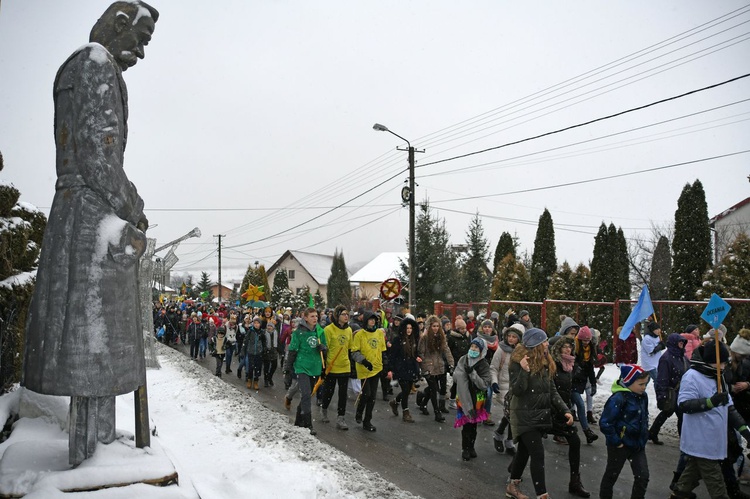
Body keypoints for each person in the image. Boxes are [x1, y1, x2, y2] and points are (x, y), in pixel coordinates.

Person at [22, 0, 159, 466]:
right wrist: (132, 205)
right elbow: (100, 154)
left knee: (90, 340)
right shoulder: (96, 64)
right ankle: (91, 455)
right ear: (118, 25)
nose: (140, 53)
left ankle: (99, 445)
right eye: (139, 40)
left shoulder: (73, 67)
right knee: (95, 340)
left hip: (75, 211)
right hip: (92, 216)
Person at [671, 340, 750, 499]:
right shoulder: (692, 376)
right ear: (712, 361)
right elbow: (684, 404)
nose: (724, 367)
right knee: (717, 485)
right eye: (722, 363)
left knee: (692, 472)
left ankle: (680, 493)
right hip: (701, 439)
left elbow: (730, 409)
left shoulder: (719, 378)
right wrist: (710, 402)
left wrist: (745, 431)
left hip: (715, 439)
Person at [505, 328, 573, 499]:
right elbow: (518, 390)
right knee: (537, 454)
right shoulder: (518, 361)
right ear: (535, 344)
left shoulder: (545, 361)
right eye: (543, 341)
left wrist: (565, 410)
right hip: (523, 414)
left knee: (523, 452)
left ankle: (512, 486)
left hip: (539, 414)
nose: (546, 344)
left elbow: (552, 390)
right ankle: (542, 495)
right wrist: (524, 371)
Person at [598, 364, 650, 499]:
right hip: (620, 445)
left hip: (637, 445)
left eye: (645, 384)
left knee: (643, 476)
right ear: (628, 382)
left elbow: (644, 416)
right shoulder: (618, 398)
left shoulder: (643, 396)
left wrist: (644, 434)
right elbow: (605, 423)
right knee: (611, 476)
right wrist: (616, 441)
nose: (644, 387)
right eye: (641, 384)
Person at [550, 336, 591, 497]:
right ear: (558, 349)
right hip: (549, 411)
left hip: (563, 411)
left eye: (570, 347)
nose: (568, 349)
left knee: (575, 441)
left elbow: (570, 389)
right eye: (564, 347)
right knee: (531, 445)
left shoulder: (570, 365)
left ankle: (575, 482)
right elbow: (551, 391)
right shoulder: (552, 365)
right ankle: (515, 472)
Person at [283, 307, 326, 435]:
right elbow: (292, 352)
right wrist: (288, 370)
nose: (315, 318)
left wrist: (323, 349)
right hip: (302, 367)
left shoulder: (320, 332)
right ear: (305, 318)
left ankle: (298, 419)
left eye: (316, 316)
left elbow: (325, 351)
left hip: (315, 367)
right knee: (306, 394)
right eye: (312, 316)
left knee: (308, 395)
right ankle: (308, 424)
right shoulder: (298, 333)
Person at [453, 338, 491, 461]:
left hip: (477, 399)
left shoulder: (484, 365)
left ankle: (472, 446)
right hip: (464, 398)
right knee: (467, 425)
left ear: (482, 350)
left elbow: (484, 384)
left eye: (476, 348)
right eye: (472, 347)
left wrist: (472, 374)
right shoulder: (463, 359)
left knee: (474, 425)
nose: (473, 349)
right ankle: (465, 448)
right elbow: (456, 375)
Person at [649, 333, 689, 445]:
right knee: (672, 412)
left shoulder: (682, 356)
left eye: (682, 342)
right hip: (671, 391)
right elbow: (662, 378)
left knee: (671, 413)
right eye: (679, 342)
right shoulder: (666, 358)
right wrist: (662, 394)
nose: (681, 344)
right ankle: (683, 440)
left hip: (681, 391)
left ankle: (653, 432)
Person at [491, 322, 524, 455]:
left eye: (514, 337)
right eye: (509, 336)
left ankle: (501, 435)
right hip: (503, 386)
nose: (511, 339)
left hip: (517, 386)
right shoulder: (501, 350)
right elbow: (493, 367)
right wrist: (494, 382)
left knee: (512, 414)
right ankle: (507, 440)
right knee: (512, 413)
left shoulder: (522, 351)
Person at [351, 310, 386, 431]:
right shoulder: (360, 335)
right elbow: (354, 352)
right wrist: (364, 361)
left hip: (376, 368)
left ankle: (367, 421)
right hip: (364, 368)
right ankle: (359, 411)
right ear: (366, 320)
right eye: (370, 319)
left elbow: (382, 350)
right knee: (366, 394)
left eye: (374, 319)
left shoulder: (379, 334)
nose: (373, 321)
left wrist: (385, 364)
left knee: (373, 397)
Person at [416, 315, 455, 422]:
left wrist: (451, 364)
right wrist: (425, 369)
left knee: (434, 388)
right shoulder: (424, 338)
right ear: (429, 326)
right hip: (429, 367)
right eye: (433, 326)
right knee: (433, 389)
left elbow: (446, 350)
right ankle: (437, 412)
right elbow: (421, 354)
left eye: (437, 326)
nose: (436, 328)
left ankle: (423, 402)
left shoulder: (441, 337)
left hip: (439, 366)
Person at [320, 305, 353, 430]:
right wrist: (323, 367)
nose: (346, 316)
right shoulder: (329, 329)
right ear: (337, 316)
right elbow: (325, 349)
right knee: (329, 391)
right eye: (343, 314)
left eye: (347, 314)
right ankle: (324, 409)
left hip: (345, 366)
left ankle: (341, 418)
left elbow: (349, 348)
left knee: (343, 394)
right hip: (332, 366)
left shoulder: (349, 330)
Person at [388, 316, 421, 423]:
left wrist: (417, 358)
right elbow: (393, 355)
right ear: (403, 329)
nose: (409, 330)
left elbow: (415, 353)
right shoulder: (398, 339)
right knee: (406, 390)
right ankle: (406, 413)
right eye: (407, 328)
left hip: (411, 367)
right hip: (401, 368)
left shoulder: (414, 339)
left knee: (407, 390)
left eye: (411, 328)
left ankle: (395, 402)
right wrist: (391, 369)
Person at [571, 326, 599, 444]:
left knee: (568, 406)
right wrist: (574, 369)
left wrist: (593, 384)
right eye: (584, 340)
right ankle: (586, 431)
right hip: (570, 382)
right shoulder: (573, 348)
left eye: (588, 340)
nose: (586, 343)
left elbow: (590, 368)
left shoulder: (590, 349)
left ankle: (567, 430)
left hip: (580, 382)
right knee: (580, 405)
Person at [475, 318, 499, 425]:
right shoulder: (478, 339)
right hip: (481, 369)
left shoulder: (496, 340)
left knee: (489, 394)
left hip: (492, 369)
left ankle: (486, 415)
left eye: (489, 327)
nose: (487, 329)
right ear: (482, 328)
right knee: (482, 392)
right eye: (485, 326)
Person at [447, 317, 471, 409]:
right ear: (457, 328)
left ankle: (459, 399)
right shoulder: (452, 338)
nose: (464, 330)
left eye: (465, 328)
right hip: (456, 362)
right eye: (462, 328)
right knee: (457, 382)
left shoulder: (467, 337)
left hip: (465, 362)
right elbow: (448, 351)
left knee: (464, 382)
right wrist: (451, 364)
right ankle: (452, 399)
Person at [263, 320, 279, 387]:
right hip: (267, 351)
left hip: (274, 351)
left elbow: (278, 341)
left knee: (274, 365)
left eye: (271, 326)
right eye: (268, 326)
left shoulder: (275, 333)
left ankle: (270, 377)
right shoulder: (264, 333)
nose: (269, 327)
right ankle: (266, 380)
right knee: (266, 367)